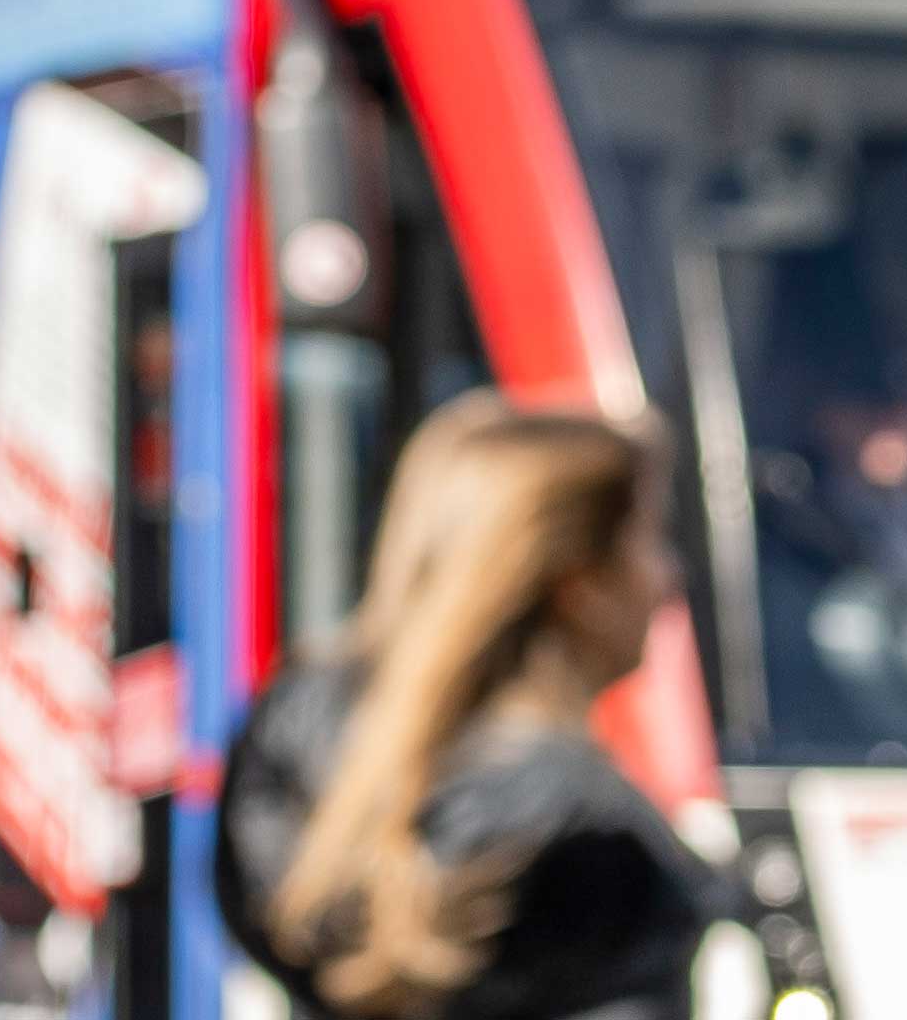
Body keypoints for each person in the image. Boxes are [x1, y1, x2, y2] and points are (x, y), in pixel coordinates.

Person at [221, 398, 712, 1020]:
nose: (668, 578)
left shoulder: (287, 745)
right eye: (650, 539)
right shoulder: (604, 855)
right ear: (578, 584)